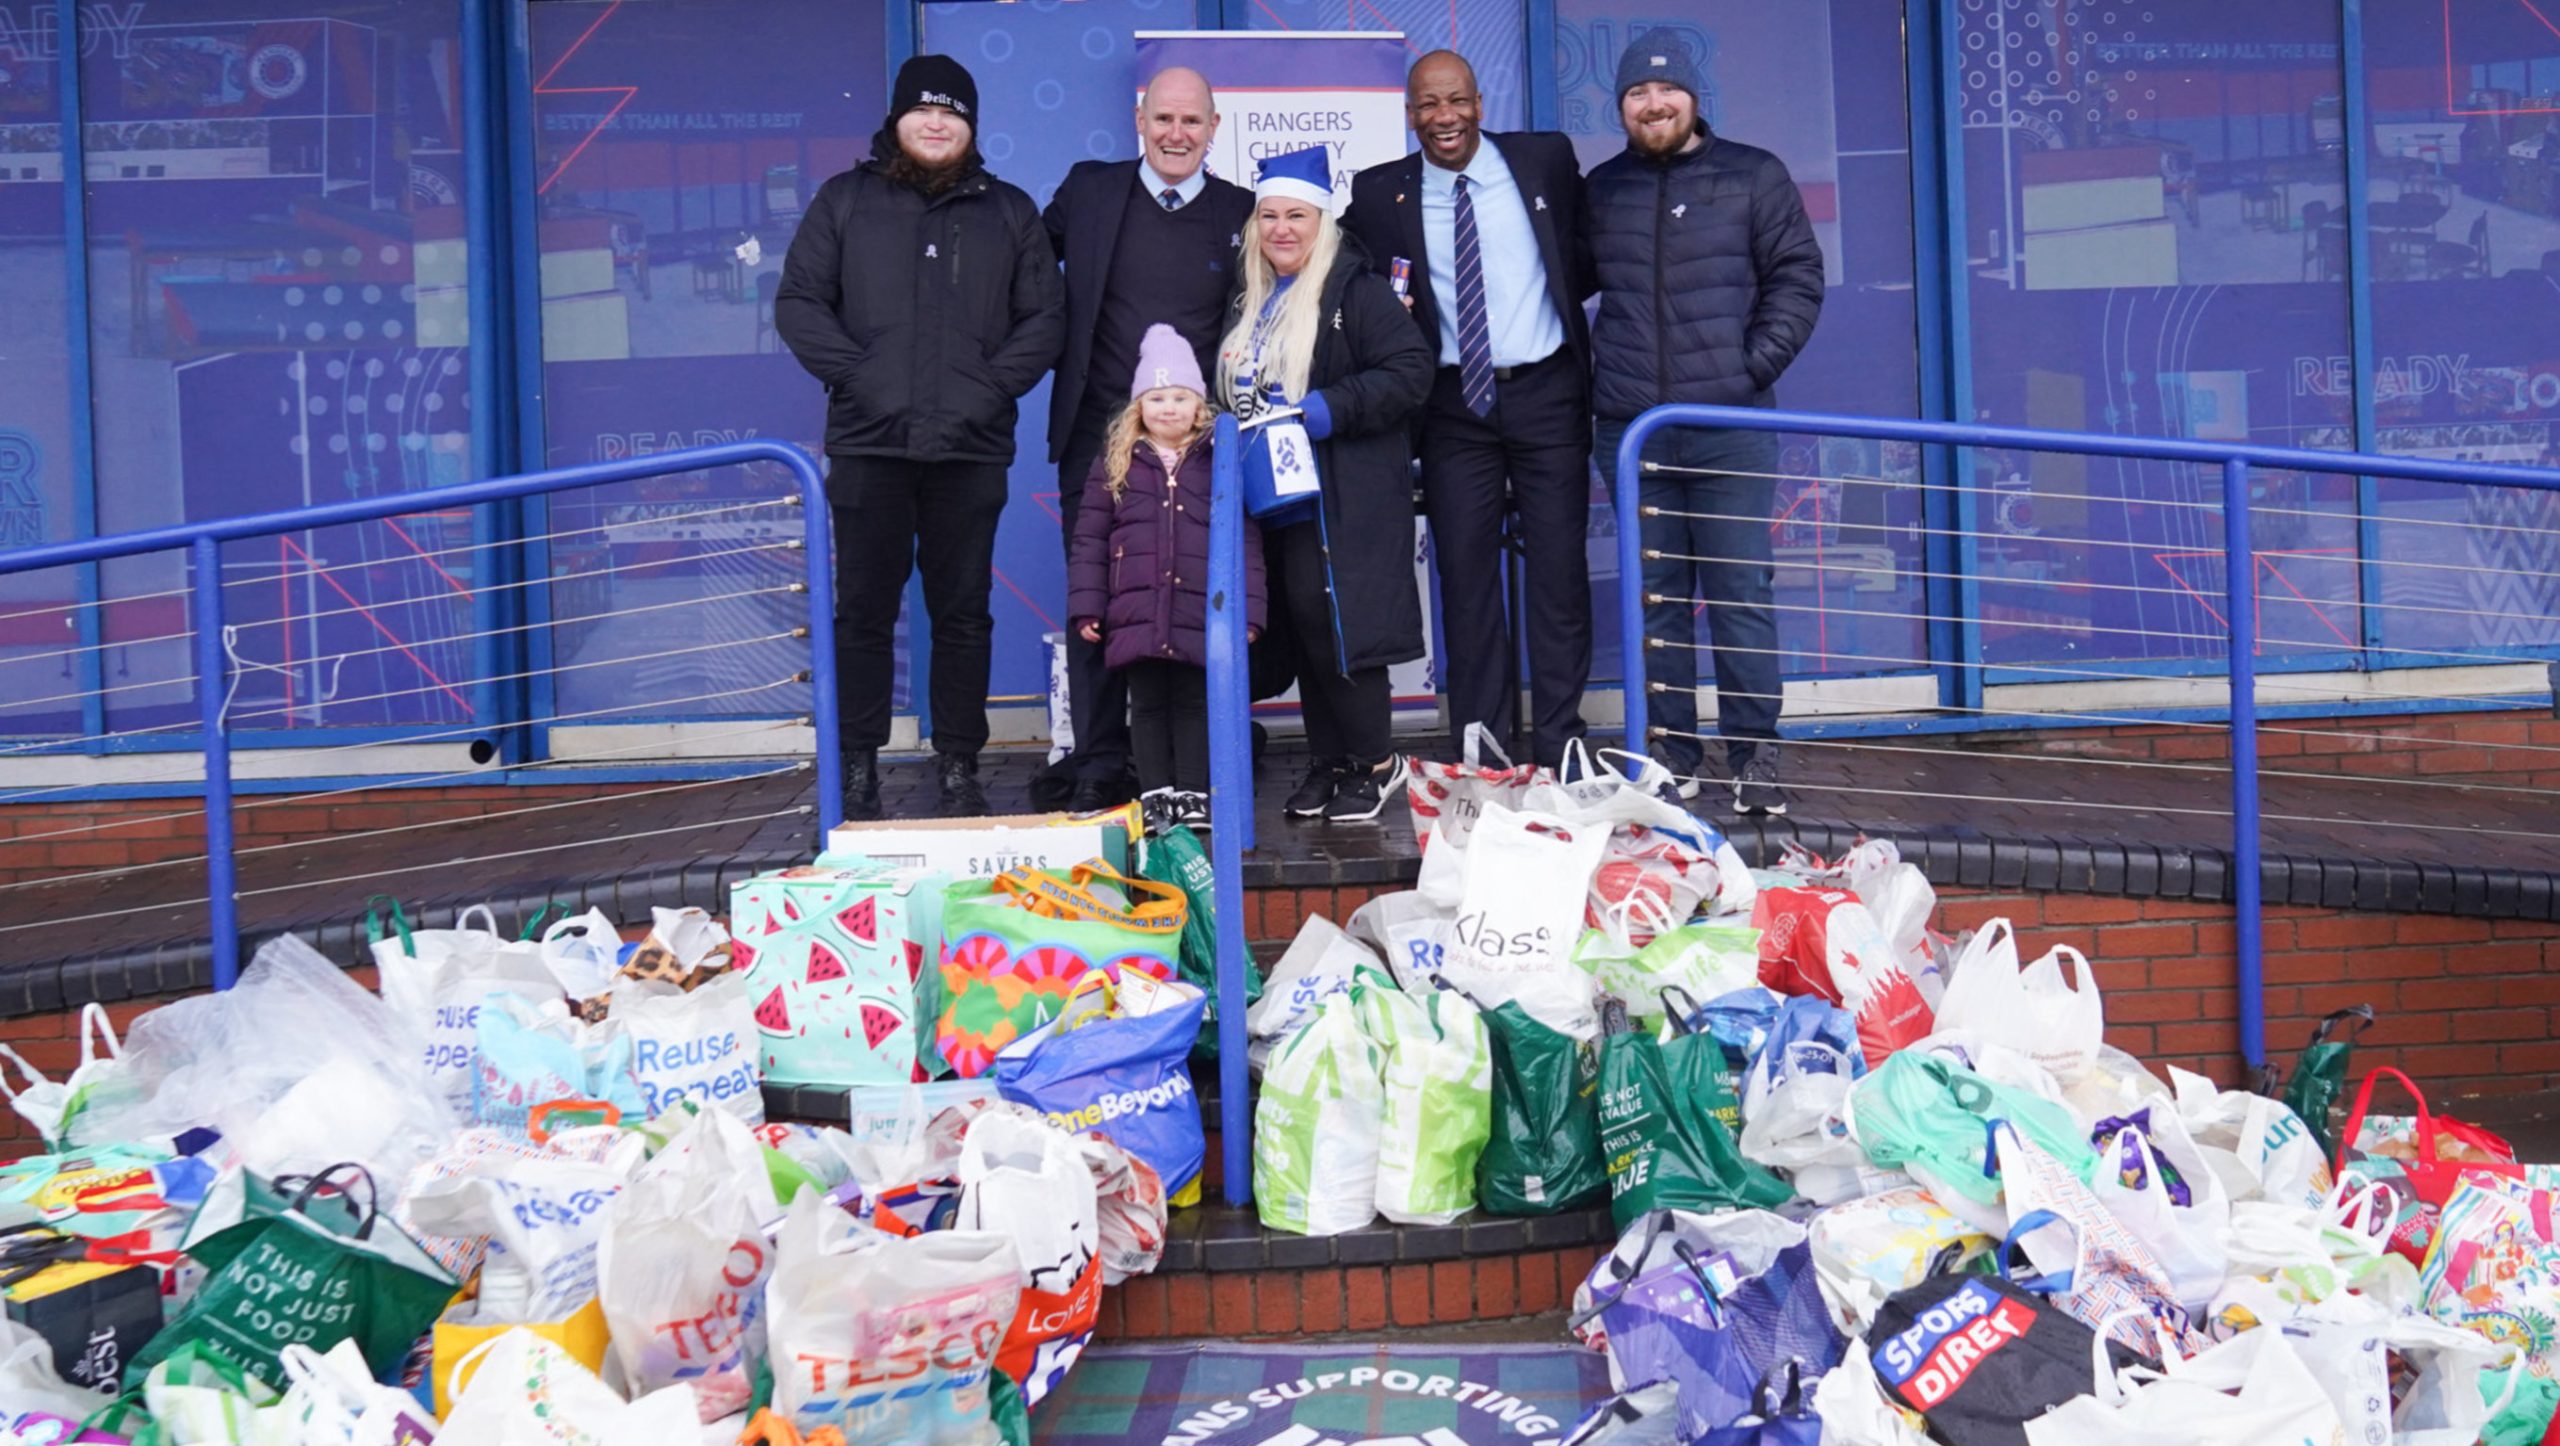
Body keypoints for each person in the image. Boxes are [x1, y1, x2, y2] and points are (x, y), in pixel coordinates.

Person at [776, 55, 1065, 819]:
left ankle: (960, 763)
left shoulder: (1008, 211)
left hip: (969, 448)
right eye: (924, 112)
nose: (937, 124)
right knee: (864, 611)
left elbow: (1046, 318)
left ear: (970, 127)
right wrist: (862, 378)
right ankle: (858, 765)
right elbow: (801, 302)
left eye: (953, 113)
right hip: (870, 445)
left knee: (963, 611)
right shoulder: (844, 201)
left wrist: (989, 387)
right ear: (898, 120)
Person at [1584, 29, 1823, 816]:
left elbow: (1798, 277)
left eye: (1666, 92)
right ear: (1622, 106)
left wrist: (1750, 369)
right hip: (1631, 432)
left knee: (1738, 595)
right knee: (1654, 602)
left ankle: (1755, 757)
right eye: (1636, 95)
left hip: (1728, 427)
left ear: (1693, 98)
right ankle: (1671, 758)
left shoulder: (1753, 176)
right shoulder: (1604, 187)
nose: (1653, 104)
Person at [1344, 50, 1595, 770]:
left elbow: (1588, 252)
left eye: (1455, 101)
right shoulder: (1379, 194)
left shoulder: (1544, 161)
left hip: (1546, 391)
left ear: (1480, 103)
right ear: (1410, 113)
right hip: (1454, 406)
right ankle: (1483, 745)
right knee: (1465, 575)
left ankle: (1559, 740)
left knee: (1557, 573)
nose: (1443, 117)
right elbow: (1329, 264)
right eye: (1427, 104)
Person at [1043, 68, 1257, 810]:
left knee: (1194, 602)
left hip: (1198, 449)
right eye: (1163, 118)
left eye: (1191, 122)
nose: (1176, 134)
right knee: (1099, 600)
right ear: (1140, 120)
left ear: (1214, 128)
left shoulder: (1243, 212)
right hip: (1099, 440)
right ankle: (1101, 757)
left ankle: (1194, 763)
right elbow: (1021, 272)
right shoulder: (1090, 192)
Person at [1217, 146, 1434, 823]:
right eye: (1271, 216)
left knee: (1342, 624)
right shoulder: (1248, 294)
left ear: (1324, 222)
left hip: (1344, 491)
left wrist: (1325, 409)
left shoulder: (1357, 291)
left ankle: (1375, 761)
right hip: (1273, 498)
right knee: (1307, 626)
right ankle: (1328, 759)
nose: (1283, 229)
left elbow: (1410, 369)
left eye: (1298, 216)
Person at [1065, 325, 1266, 833]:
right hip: (1135, 612)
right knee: (1149, 706)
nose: (1168, 407)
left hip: (1201, 611)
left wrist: (1249, 611)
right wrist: (1088, 607)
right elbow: (1090, 538)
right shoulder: (1115, 462)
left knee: (1196, 704)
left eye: (1180, 396)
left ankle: (1194, 794)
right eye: (1156, 397)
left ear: (1200, 405)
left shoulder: (1221, 460)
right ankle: (1156, 795)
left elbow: (1246, 540)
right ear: (1139, 406)